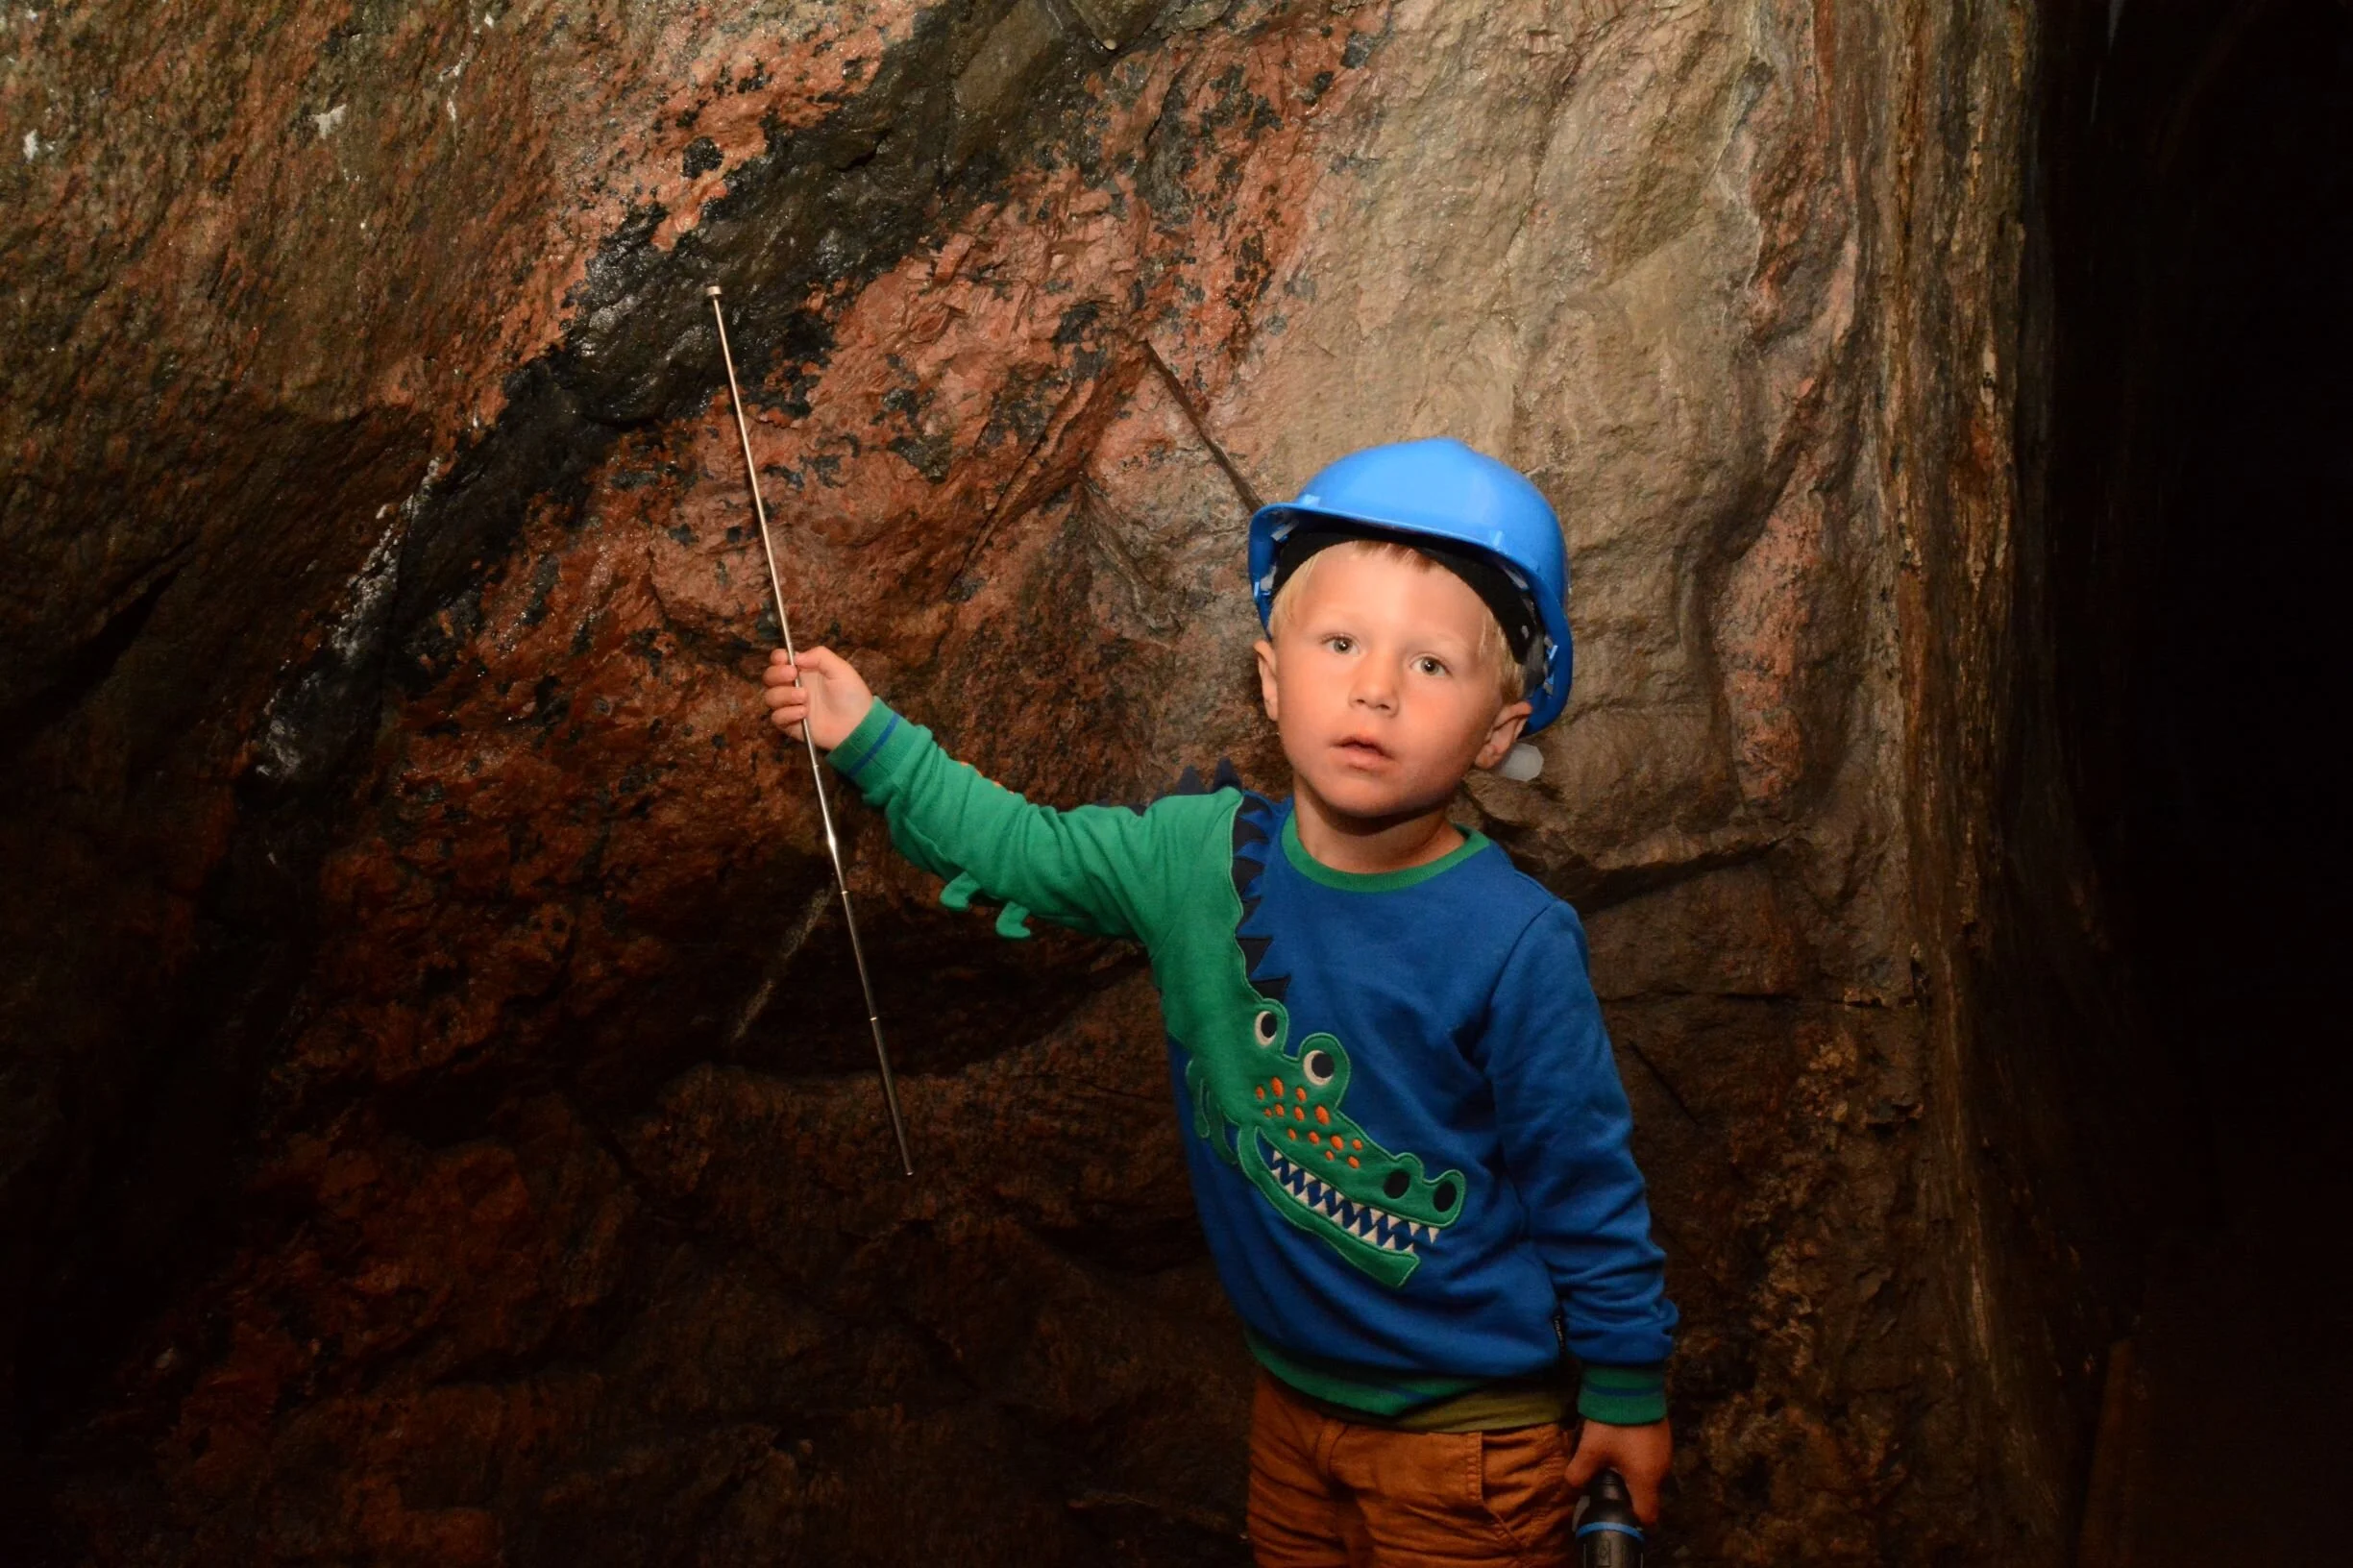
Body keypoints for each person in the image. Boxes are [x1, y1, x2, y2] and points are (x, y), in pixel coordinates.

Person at [760, 437, 1676, 1565]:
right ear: (1272, 678)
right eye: (1339, 643)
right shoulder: (1191, 861)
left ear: (1499, 729)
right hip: (1288, 1413)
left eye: (1430, 665)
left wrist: (1627, 1388)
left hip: (1469, 1447)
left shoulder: (1517, 942)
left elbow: (1583, 1183)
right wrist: (872, 741)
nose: (1375, 687)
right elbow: (1023, 848)